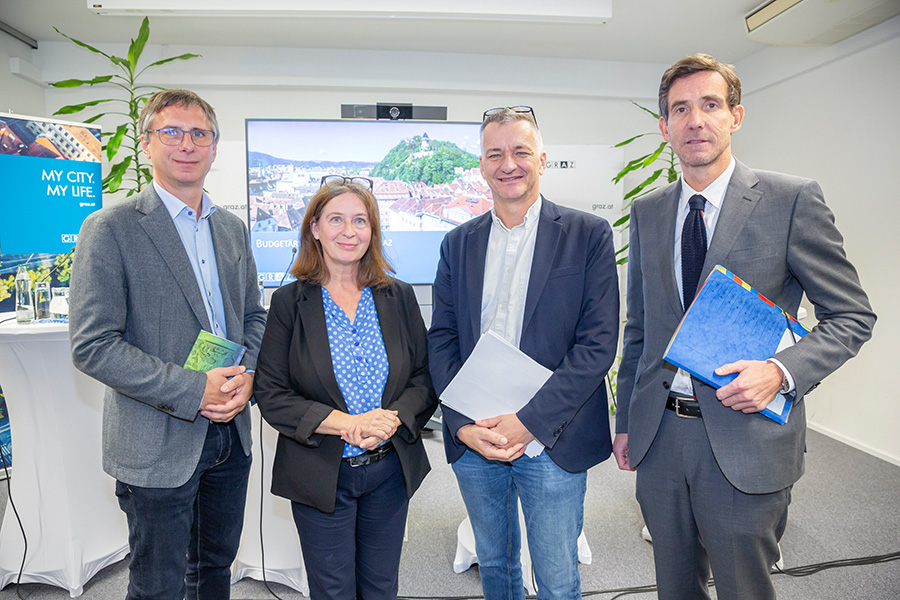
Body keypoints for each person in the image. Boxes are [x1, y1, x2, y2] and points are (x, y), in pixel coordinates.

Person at [613, 53, 876, 600]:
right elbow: (639, 327)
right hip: (660, 438)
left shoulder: (790, 200)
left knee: (743, 589)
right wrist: (624, 422)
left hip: (745, 436)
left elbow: (851, 315)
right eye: (680, 109)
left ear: (736, 116)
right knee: (675, 587)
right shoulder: (650, 210)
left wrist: (780, 371)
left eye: (710, 105)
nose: (695, 120)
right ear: (664, 126)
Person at [69, 89, 267, 599]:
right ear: (147, 143)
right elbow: (94, 344)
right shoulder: (109, 229)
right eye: (171, 132)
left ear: (214, 147)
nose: (186, 144)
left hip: (230, 437)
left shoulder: (231, 229)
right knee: (158, 585)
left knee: (214, 572)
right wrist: (193, 389)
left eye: (198, 133)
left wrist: (245, 375)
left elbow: (251, 317)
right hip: (156, 441)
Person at [428, 106, 619, 599]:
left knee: (557, 578)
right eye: (495, 153)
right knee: (496, 567)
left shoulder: (587, 235)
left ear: (543, 159)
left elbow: (597, 346)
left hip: (553, 436)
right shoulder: (457, 243)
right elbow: (443, 338)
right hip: (476, 434)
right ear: (482, 164)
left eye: (520, 151)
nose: (507, 163)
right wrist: (462, 423)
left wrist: (529, 421)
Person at [254, 175, 437, 600]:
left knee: (380, 588)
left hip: (389, 471)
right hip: (321, 472)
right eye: (336, 219)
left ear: (372, 231)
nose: (348, 231)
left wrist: (389, 421)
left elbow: (424, 378)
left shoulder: (399, 297)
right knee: (332, 591)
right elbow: (272, 393)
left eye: (360, 221)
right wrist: (345, 425)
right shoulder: (287, 303)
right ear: (314, 228)